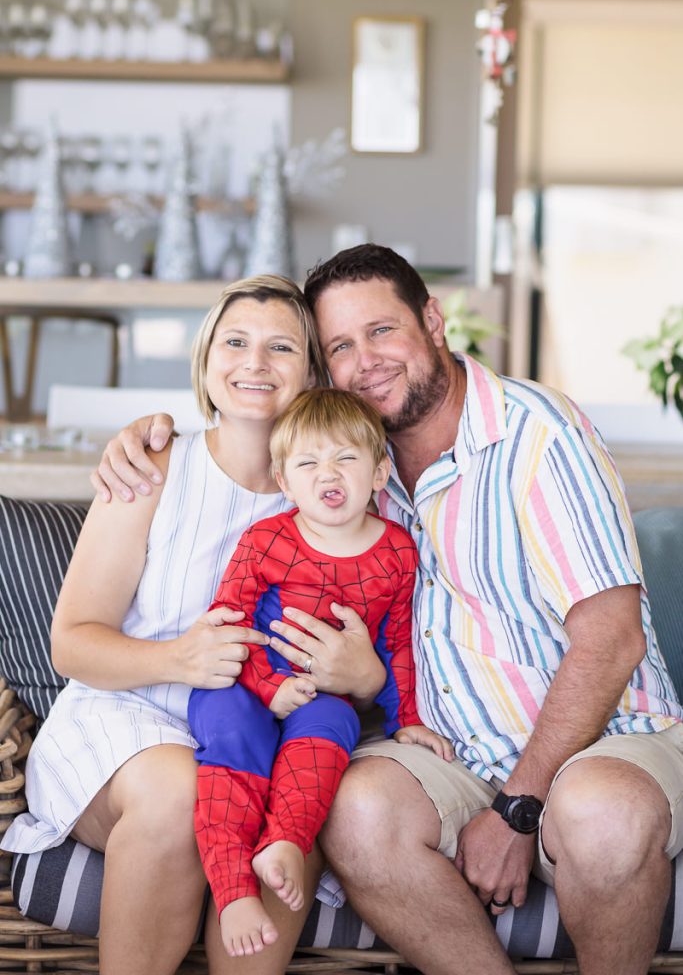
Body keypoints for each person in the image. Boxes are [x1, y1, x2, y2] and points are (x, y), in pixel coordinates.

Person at [92, 243, 683, 975]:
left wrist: (517, 809)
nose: (365, 360)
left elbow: (610, 641)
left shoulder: (537, 436)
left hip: (599, 740)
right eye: (339, 346)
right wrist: (144, 433)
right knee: (352, 808)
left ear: (432, 321)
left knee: (600, 812)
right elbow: (236, 440)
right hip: (455, 750)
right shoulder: (345, 468)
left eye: (381, 331)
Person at [2, 275, 393, 975]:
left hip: (261, 725)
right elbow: (72, 642)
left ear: (309, 373)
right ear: (206, 360)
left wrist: (364, 677)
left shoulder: (340, 489)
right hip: (125, 716)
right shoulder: (153, 463)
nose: (254, 363)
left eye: (281, 348)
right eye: (234, 342)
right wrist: (179, 660)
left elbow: (371, 654)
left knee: (289, 808)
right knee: (180, 788)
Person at [191, 386, 452, 958]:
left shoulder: (397, 553)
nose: (326, 474)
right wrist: (270, 686)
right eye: (308, 462)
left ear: (380, 472)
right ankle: (234, 889)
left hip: (323, 696)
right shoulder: (267, 540)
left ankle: (285, 840)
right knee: (234, 743)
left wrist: (406, 716)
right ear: (285, 481)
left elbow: (400, 642)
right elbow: (226, 622)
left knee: (334, 727)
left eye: (346, 458)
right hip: (244, 682)